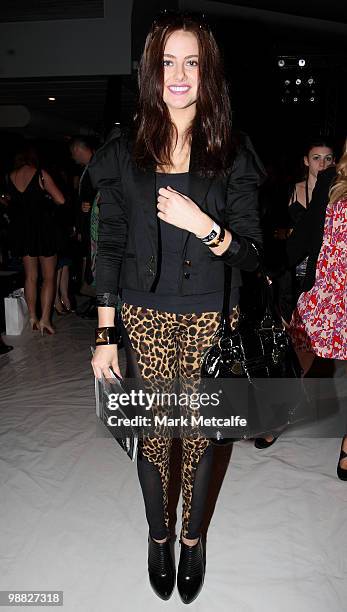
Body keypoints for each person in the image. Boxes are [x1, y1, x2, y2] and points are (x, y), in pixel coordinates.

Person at [89, 12, 264, 603]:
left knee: (203, 436)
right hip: (145, 314)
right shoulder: (125, 152)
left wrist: (205, 227)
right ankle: (158, 536)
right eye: (168, 61)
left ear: (207, 71)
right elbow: (108, 245)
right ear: (151, 71)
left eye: (192, 61)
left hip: (213, 315)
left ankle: (193, 541)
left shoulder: (232, 151)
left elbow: (253, 252)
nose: (180, 74)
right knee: (158, 433)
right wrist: (104, 334)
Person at [287, 142, 347, 480]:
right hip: (327, 289)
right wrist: (273, 266)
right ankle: (282, 414)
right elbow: (308, 232)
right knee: (300, 353)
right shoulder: (331, 180)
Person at [6, 146, 65, 335]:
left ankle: (32, 317)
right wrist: (47, 199)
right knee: (48, 277)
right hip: (44, 229)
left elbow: (9, 202)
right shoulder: (40, 174)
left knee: (30, 276)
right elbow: (61, 200)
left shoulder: (10, 177)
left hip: (23, 231)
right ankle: (45, 320)